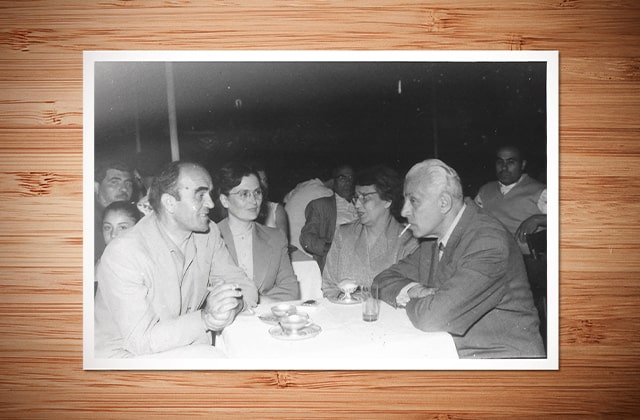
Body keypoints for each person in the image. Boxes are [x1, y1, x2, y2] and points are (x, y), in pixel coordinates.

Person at [373, 159, 545, 359]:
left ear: (444, 203)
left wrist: (410, 299)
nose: (404, 211)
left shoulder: (488, 242)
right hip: (451, 351)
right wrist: (414, 290)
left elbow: (432, 318)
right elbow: (381, 281)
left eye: (413, 200)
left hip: (499, 361)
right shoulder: (433, 238)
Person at [94, 161, 258, 358]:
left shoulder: (208, 234)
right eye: (200, 195)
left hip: (181, 347)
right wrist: (206, 318)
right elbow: (142, 341)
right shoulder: (124, 253)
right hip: (125, 358)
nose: (211, 204)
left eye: (209, 194)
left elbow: (244, 286)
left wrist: (233, 305)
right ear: (170, 203)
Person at [322, 165, 419, 299]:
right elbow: (329, 286)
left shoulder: (407, 243)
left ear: (387, 201)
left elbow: (406, 294)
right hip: (344, 310)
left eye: (365, 198)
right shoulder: (343, 235)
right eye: (356, 197)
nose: (357, 205)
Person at [216, 163, 300, 302]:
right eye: (244, 194)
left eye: (257, 192)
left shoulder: (276, 238)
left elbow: (290, 290)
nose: (254, 201)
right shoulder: (208, 239)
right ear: (225, 200)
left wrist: (252, 301)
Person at [474, 145, 547, 254]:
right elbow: (471, 220)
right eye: (500, 162)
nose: (504, 167)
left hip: (529, 259)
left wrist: (537, 219)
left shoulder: (540, 191)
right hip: (492, 256)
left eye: (511, 162)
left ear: (522, 165)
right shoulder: (485, 190)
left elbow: (567, 221)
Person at [300, 164, 358, 271]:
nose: (347, 182)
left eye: (351, 178)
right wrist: (333, 249)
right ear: (333, 181)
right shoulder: (321, 206)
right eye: (342, 178)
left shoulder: (364, 205)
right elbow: (307, 239)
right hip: (337, 265)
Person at [94, 158, 134, 262]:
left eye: (128, 184)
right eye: (114, 182)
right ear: (96, 187)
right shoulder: (87, 220)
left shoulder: (135, 214)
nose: (124, 189)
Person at [250, 161, 290, 240]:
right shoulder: (244, 209)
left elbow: (283, 241)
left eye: (265, 180)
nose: (263, 185)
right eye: (259, 180)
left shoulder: (276, 209)